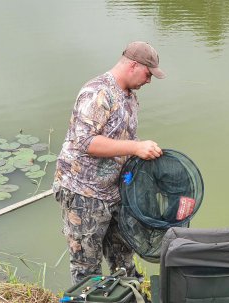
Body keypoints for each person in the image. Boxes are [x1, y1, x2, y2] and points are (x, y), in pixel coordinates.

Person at [53, 41, 166, 284]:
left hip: (114, 193)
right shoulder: (97, 93)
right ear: (134, 65)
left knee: (124, 261)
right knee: (87, 269)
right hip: (83, 193)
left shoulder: (130, 98)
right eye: (148, 74)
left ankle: (128, 297)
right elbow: (86, 143)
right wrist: (136, 147)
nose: (149, 81)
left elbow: (122, 141)